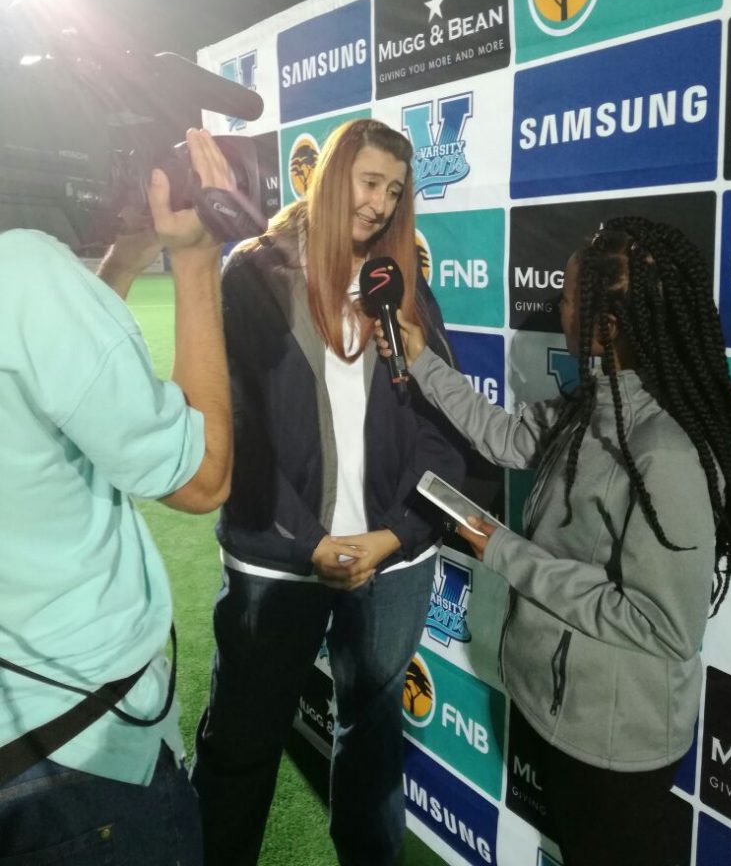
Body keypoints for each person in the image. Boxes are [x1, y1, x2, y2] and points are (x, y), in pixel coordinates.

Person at [377, 216, 731, 866]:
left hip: (616, 746)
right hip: (563, 712)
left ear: (609, 325)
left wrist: (503, 549)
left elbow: (662, 625)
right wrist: (420, 361)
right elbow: (503, 436)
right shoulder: (593, 404)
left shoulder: (666, 451)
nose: (559, 310)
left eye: (570, 298)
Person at [190, 118, 465, 866]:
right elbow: (235, 432)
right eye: (370, 182)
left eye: (395, 191)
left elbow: (443, 429)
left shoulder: (401, 284)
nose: (380, 204)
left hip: (392, 564)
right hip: (276, 564)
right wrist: (309, 543)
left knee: (372, 743)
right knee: (241, 745)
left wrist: (396, 534)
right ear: (333, 174)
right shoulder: (252, 272)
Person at [0, 129, 234, 865]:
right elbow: (203, 477)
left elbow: (57, 387)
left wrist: (124, 261)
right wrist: (196, 260)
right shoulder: (23, 271)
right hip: (73, 747)